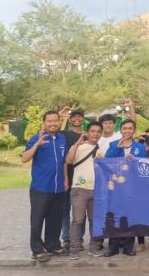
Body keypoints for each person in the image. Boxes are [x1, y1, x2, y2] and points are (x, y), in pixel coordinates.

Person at [21, 110, 69, 262]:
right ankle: (37, 249)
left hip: (58, 188)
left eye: (55, 120)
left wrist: (66, 180)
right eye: (49, 121)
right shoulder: (37, 137)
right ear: (44, 123)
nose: (53, 123)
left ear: (59, 122)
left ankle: (53, 245)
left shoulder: (62, 138)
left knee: (55, 219)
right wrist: (37, 144)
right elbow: (24, 158)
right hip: (40, 187)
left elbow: (64, 161)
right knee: (37, 219)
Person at [103, 119, 146, 257]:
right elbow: (107, 160)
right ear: (120, 130)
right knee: (114, 216)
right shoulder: (113, 144)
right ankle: (113, 247)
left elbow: (143, 164)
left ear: (134, 130)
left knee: (130, 216)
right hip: (116, 186)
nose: (127, 131)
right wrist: (117, 148)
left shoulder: (140, 147)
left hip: (132, 186)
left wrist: (134, 160)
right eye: (125, 128)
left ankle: (128, 247)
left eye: (130, 128)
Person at [64, 121, 103, 260]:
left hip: (97, 190)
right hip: (79, 189)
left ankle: (94, 247)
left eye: (98, 131)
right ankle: (74, 248)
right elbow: (69, 160)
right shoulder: (80, 147)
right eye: (93, 131)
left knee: (94, 220)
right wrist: (78, 142)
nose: (95, 134)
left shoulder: (102, 149)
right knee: (77, 220)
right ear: (87, 132)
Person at [59, 107, 84, 252]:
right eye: (74, 117)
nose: (77, 119)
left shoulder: (87, 135)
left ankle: (79, 239)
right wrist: (61, 116)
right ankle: (67, 239)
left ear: (83, 119)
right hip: (67, 175)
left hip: (82, 178)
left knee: (80, 211)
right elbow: (53, 131)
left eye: (79, 117)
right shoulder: (65, 134)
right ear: (70, 119)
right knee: (65, 210)